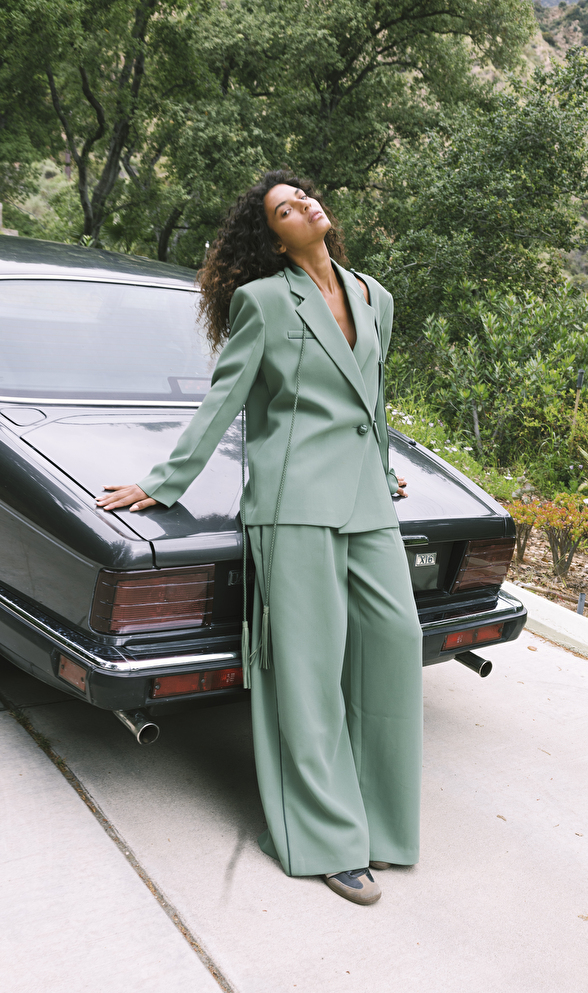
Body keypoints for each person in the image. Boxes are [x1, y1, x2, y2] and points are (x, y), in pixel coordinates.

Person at [96, 170, 423, 906]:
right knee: (308, 667)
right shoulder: (265, 301)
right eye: (284, 208)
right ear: (274, 239)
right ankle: (326, 840)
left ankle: (381, 820)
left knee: (394, 641)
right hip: (292, 498)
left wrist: (382, 466)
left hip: (366, 498)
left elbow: (371, 398)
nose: (303, 204)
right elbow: (228, 395)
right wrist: (165, 481)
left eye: (303, 195)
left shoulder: (374, 295)